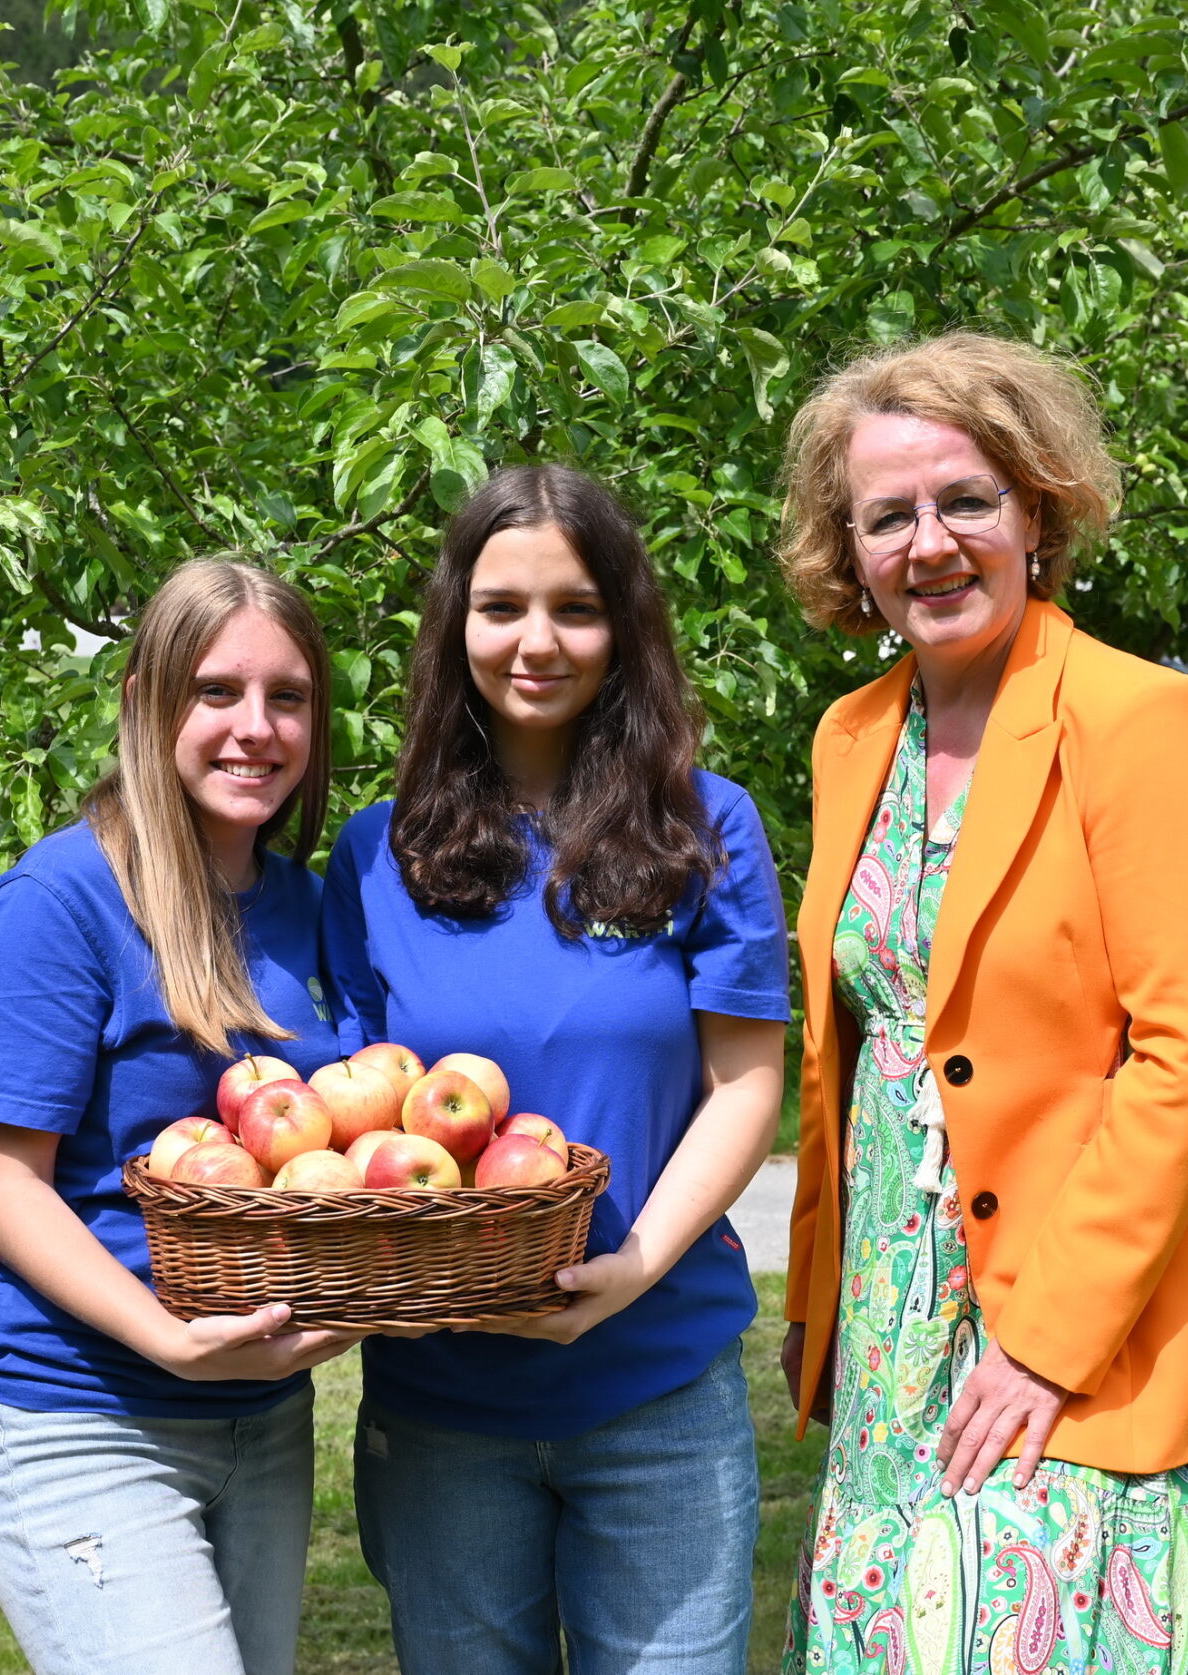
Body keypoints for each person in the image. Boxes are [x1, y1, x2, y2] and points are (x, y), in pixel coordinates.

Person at [772, 333, 1188, 1673]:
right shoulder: (849, 738)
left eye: (967, 501)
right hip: (886, 1333)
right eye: (888, 515)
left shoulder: (1137, 716)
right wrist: (818, 1306)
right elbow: (855, 1045)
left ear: (1039, 512)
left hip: (1074, 1330)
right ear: (850, 548)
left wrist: (1046, 1345)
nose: (929, 543)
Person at [321, 465, 791, 1675]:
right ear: (454, 626)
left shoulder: (707, 826)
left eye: (574, 607)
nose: (537, 641)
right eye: (501, 607)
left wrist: (630, 1270)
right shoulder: (377, 852)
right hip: (441, 1406)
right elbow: (346, 1120)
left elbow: (743, 1085)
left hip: (659, 1380)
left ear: (623, 627)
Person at [0, 558, 361, 1675]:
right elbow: (3, 1189)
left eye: (288, 698)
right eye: (215, 691)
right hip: (79, 1409)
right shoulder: (55, 909)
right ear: (143, 701)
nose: (255, 728)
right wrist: (166, 1340)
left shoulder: (308, 911)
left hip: (261, 1413)